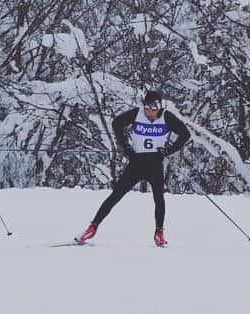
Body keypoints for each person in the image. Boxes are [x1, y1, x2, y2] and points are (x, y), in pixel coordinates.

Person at [75, 90, 191, 247]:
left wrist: (168, 150)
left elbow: (185, 134)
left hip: (155, 162)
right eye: (148, 106)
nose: (150, 110)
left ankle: (159, 232)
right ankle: (92, 227)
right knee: (116, 195)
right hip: (137, 162)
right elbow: (116, 123)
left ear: (160, 106)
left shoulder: (166, 117)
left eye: (155, 106)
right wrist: (126, 147)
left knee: (159, 198)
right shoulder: (137, 114)